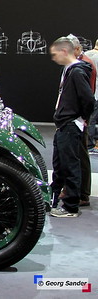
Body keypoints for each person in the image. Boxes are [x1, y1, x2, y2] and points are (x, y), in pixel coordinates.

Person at [49, 37, 95, 217]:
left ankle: (70, 207)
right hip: (63, 124)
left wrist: (80, 118)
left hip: (70, 124)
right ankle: (53, 200)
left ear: (64, 51)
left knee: (70, 165)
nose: (54, 58)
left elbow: (89, 100)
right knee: (60, 165)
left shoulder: (77, 72)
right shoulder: (68, 70)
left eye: (55, 54)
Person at [68, 34, 96, 206]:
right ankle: (75, 190)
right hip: (76, 117)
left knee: (80, 155)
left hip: (79, 118)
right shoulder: (77, 64)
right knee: (75, 154)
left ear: (77, 49)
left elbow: (87, 97)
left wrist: (83, 117)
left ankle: (82, 194)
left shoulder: (84, 65)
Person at [85, 38, 98, 153]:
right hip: (96, 92)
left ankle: (87, 143)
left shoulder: (86, 55)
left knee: (90, 119)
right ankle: (89, 145)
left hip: (88, 91)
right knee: (93, 119)